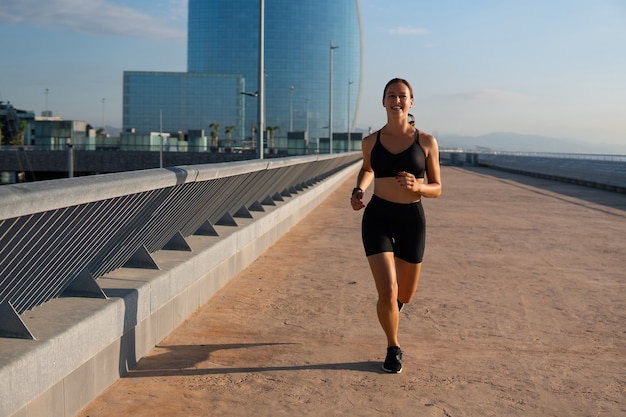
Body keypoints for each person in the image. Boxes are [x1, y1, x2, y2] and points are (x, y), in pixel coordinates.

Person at [350, 78, 442, 373]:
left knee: (405, 295)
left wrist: (419, 187)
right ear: (383, 102)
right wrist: (359, 190)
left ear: (411, 102)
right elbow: (367, 169)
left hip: (412, 221)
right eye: (391, 95)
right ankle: (393, 346)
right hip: (377, 217)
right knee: (387, 291)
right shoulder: (371, 141)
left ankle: (396, 307)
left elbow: (437, 187)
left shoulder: (426, 142)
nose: (397, 100)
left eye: (402, 96)